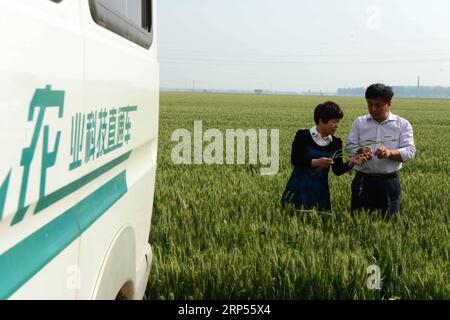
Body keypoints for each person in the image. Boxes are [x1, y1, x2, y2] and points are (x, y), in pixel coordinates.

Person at [346, 83, 416, 216]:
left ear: (389, 104)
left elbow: (410, 151)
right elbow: (349, 147)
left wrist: (390, 153)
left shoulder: (402, 124)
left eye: (378, 105)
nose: (373, 109)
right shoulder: (359, 123)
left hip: (388, 183)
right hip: (362, 181)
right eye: (370, 104)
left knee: (389, 224)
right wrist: (359, 150)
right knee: (358, 223)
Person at [281, 101, 359, 212]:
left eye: (338, 122)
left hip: (320, 193)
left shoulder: (336, 143)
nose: (337, 126)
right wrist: (316, 162)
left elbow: (337, 170)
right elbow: (296, 160)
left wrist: (352, 162)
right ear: (321, 120)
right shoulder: (302, 136)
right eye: (334, 122)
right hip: (299, 189)